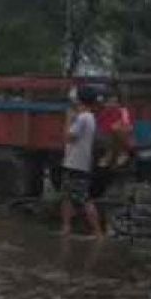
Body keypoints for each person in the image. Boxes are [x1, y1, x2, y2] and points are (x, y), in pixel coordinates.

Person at [60, 86, 104, 239]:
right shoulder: (88, 117)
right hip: (74, 162)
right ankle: (66, 228)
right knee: (67, 197)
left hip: (77, 164)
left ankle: (98, 233)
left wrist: (68, 120)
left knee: (84, 199)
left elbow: (68, 138)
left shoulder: (83, 118)